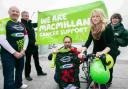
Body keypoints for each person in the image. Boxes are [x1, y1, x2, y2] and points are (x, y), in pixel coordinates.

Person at [83, 9, 119, 88]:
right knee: (95, 67)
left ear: (101, 17)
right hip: (97, 51)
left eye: (97, 16)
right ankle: (96, 82)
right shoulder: (92, 27)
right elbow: (89, 40)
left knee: (107, 69)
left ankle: (108, 81)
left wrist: (103, 52)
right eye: (93, 16)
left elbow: (111, 44)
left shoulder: (107, 27)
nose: (95, 18)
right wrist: (83, 49)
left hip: (109, 51)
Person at [0, 6, 28, 89]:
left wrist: (23, 50)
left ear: (19, 14)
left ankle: (19, 84)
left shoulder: (22, 24)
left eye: (17, 11)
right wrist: (14, 52)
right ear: (9, 12)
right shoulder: (3, 22)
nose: (15, 13)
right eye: (13, 11)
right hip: (7, 54)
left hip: (21, 52)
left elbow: (26, 38)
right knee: (9, 75)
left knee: (19, 70)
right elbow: (1, 39)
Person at [21, 11, 47, 81]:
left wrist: (41, 16)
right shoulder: (22, 25)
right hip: (28, 46)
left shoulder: (29, 23)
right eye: (25, 16)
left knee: (37, 60)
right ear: (22, 16)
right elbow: (25, 35)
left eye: (28, 15)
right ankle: (27, 75)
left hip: (35, 45)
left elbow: (38, 24)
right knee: (28, 61)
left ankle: (39, 71)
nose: (27, 17)